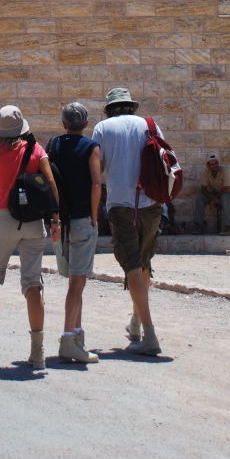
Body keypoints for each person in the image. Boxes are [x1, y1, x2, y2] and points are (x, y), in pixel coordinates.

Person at [0, 105, 60, 369]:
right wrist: (55, 219)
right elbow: (51, 184)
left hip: (5, 218)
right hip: (34, 222)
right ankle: (37, 352)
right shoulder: (37, 151)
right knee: (32, 283)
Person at [91, 87, 164, 356]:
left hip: (121, 204)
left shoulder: (102, 128)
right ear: (131, 106)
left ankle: (150, 334)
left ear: (109, 108)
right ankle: (136, 323)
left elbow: (98, 168)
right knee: (144, 262)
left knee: (132, 265)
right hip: (152, 202)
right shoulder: (150, 124)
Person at [46, 102, 101, 363]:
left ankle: (78, 335)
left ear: (63, 123)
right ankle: (68, 338)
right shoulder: (91, 147)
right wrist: (94, 215)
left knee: (74, 281)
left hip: (60, 221)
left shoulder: (53, 145)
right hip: (81, 219)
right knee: (77, 283)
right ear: (86, 124)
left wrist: (53, 217)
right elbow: (96, 183)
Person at [193, 154, 230, 233]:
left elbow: (227, 188)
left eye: (216, 163)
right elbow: (203, 189)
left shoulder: (225, 171)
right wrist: (213, 198)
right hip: (219, 195)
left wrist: (215, 198)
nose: (215, 165)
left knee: (225, 197)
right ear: (208, 166)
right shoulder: (206, 172)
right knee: (199, 197)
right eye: (212, 164)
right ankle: (199, 226)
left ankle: (228, 227)